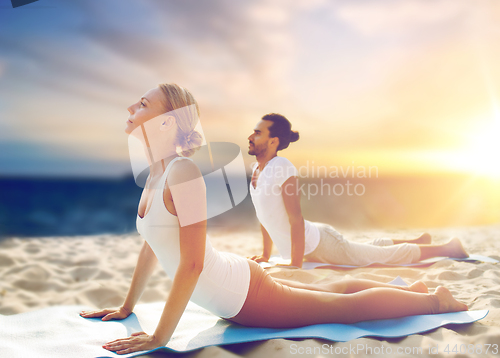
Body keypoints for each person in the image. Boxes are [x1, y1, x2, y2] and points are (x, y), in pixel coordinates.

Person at [79, 85, 467, 355]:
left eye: (143, 104)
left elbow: (193, 263)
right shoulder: (156, 176)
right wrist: (128, 306)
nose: (132, 108)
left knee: (341, 309)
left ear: (166, 123)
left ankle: (435, 301)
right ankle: (415, 288)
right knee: (332, 293)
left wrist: (160, 336)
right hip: (236, 279)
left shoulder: (183, 174)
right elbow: (153, 244)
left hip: (241, 296)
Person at [247, 113, 469, 268]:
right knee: (362, 249)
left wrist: (295, 265)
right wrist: (266, 255)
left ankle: (448, 247)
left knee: (378, 257)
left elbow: (295, 218)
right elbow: (264, 216)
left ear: (273, 141)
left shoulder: (282, 167)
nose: (250, 137)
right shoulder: (257, 169)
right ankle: (418, 241)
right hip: (313, 243)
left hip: (320, 244)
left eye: (257, 133)